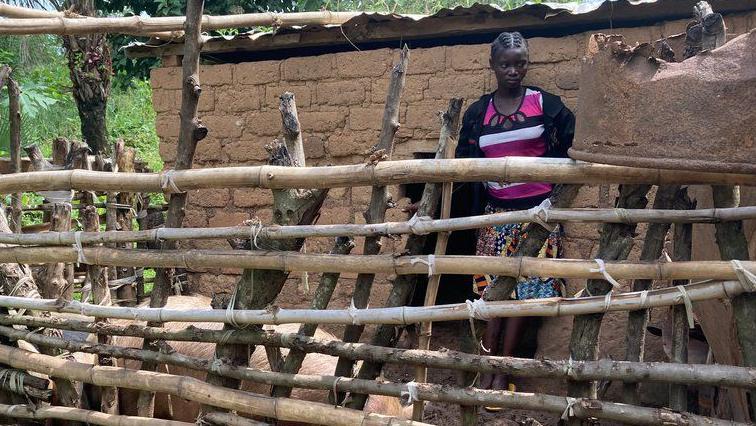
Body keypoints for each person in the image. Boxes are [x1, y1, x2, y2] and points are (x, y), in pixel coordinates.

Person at [451, 31, 575, 402]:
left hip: (536, 218)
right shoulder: (478, 113)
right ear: (492, 65)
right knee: (492, 292)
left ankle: (503, 370)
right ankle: (487, 367)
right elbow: (463, 163)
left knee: (524, 294)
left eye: (520, 62)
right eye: (505, 63)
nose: (513, 70)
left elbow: (573, 143)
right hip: (494, 218)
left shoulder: (545, 105)